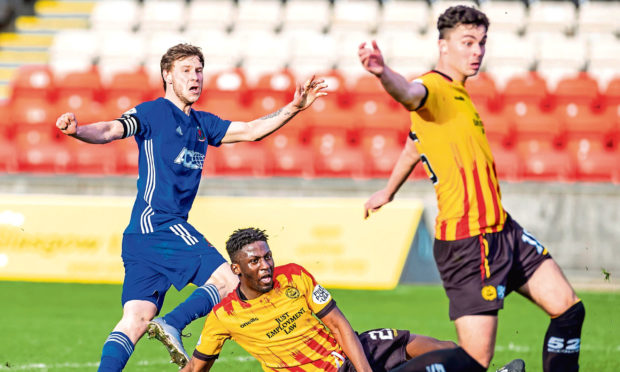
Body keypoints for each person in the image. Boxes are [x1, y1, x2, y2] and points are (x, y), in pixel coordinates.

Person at [55, 43, 327, 371]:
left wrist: (294, 107)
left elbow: (252, 130)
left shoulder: (202, 124)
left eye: (199, 70)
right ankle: (174, 322)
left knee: (135, 319)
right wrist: (79, 130)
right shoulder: (153, 112)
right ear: (168, 76)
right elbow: (112, 128)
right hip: (159, 222)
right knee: (230, 280)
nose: (195, 77)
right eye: (186, 70)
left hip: (143, 235)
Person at [358, 5, 584, 372]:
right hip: (468, 240)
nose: (477, 51)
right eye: (467, 42)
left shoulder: (459, 95)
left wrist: (388, 191)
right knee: (475, 361)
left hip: (502, 230)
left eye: (481, 42)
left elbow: (415, 143)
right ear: (443, 46)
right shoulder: (433, 87)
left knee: (569, 309)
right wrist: (384, 74)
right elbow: (408, 92)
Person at [181, 227, 459, 372]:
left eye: (267, 257)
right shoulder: (224, 316)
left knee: (436, 347)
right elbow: (196, 367)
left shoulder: (294, 275)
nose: (265, 265)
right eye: (254, 261)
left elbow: (338, 324)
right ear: (236, 269)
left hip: (349, 354)